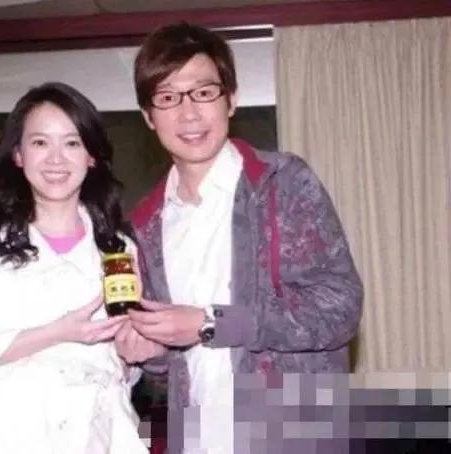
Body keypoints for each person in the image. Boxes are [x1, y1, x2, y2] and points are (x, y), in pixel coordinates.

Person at [115, 23, 363, 453]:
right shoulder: (145, 224)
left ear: (230, 99)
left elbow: (340, 307)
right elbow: (176, 366)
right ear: (148, 116)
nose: (189, 114)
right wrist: (151, 350)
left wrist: (210, 323)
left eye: (203, 92)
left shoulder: (282, 183)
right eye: (168, 98)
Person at [0, 82, 148, 454]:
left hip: (94, 437)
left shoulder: (119, 249)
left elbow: (122, 370)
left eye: (72, 143)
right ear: (18, 154)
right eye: (40, 142)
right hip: (2, 435)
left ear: (92, 156)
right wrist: (58, 332)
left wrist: (133, 351)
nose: (56, 159)